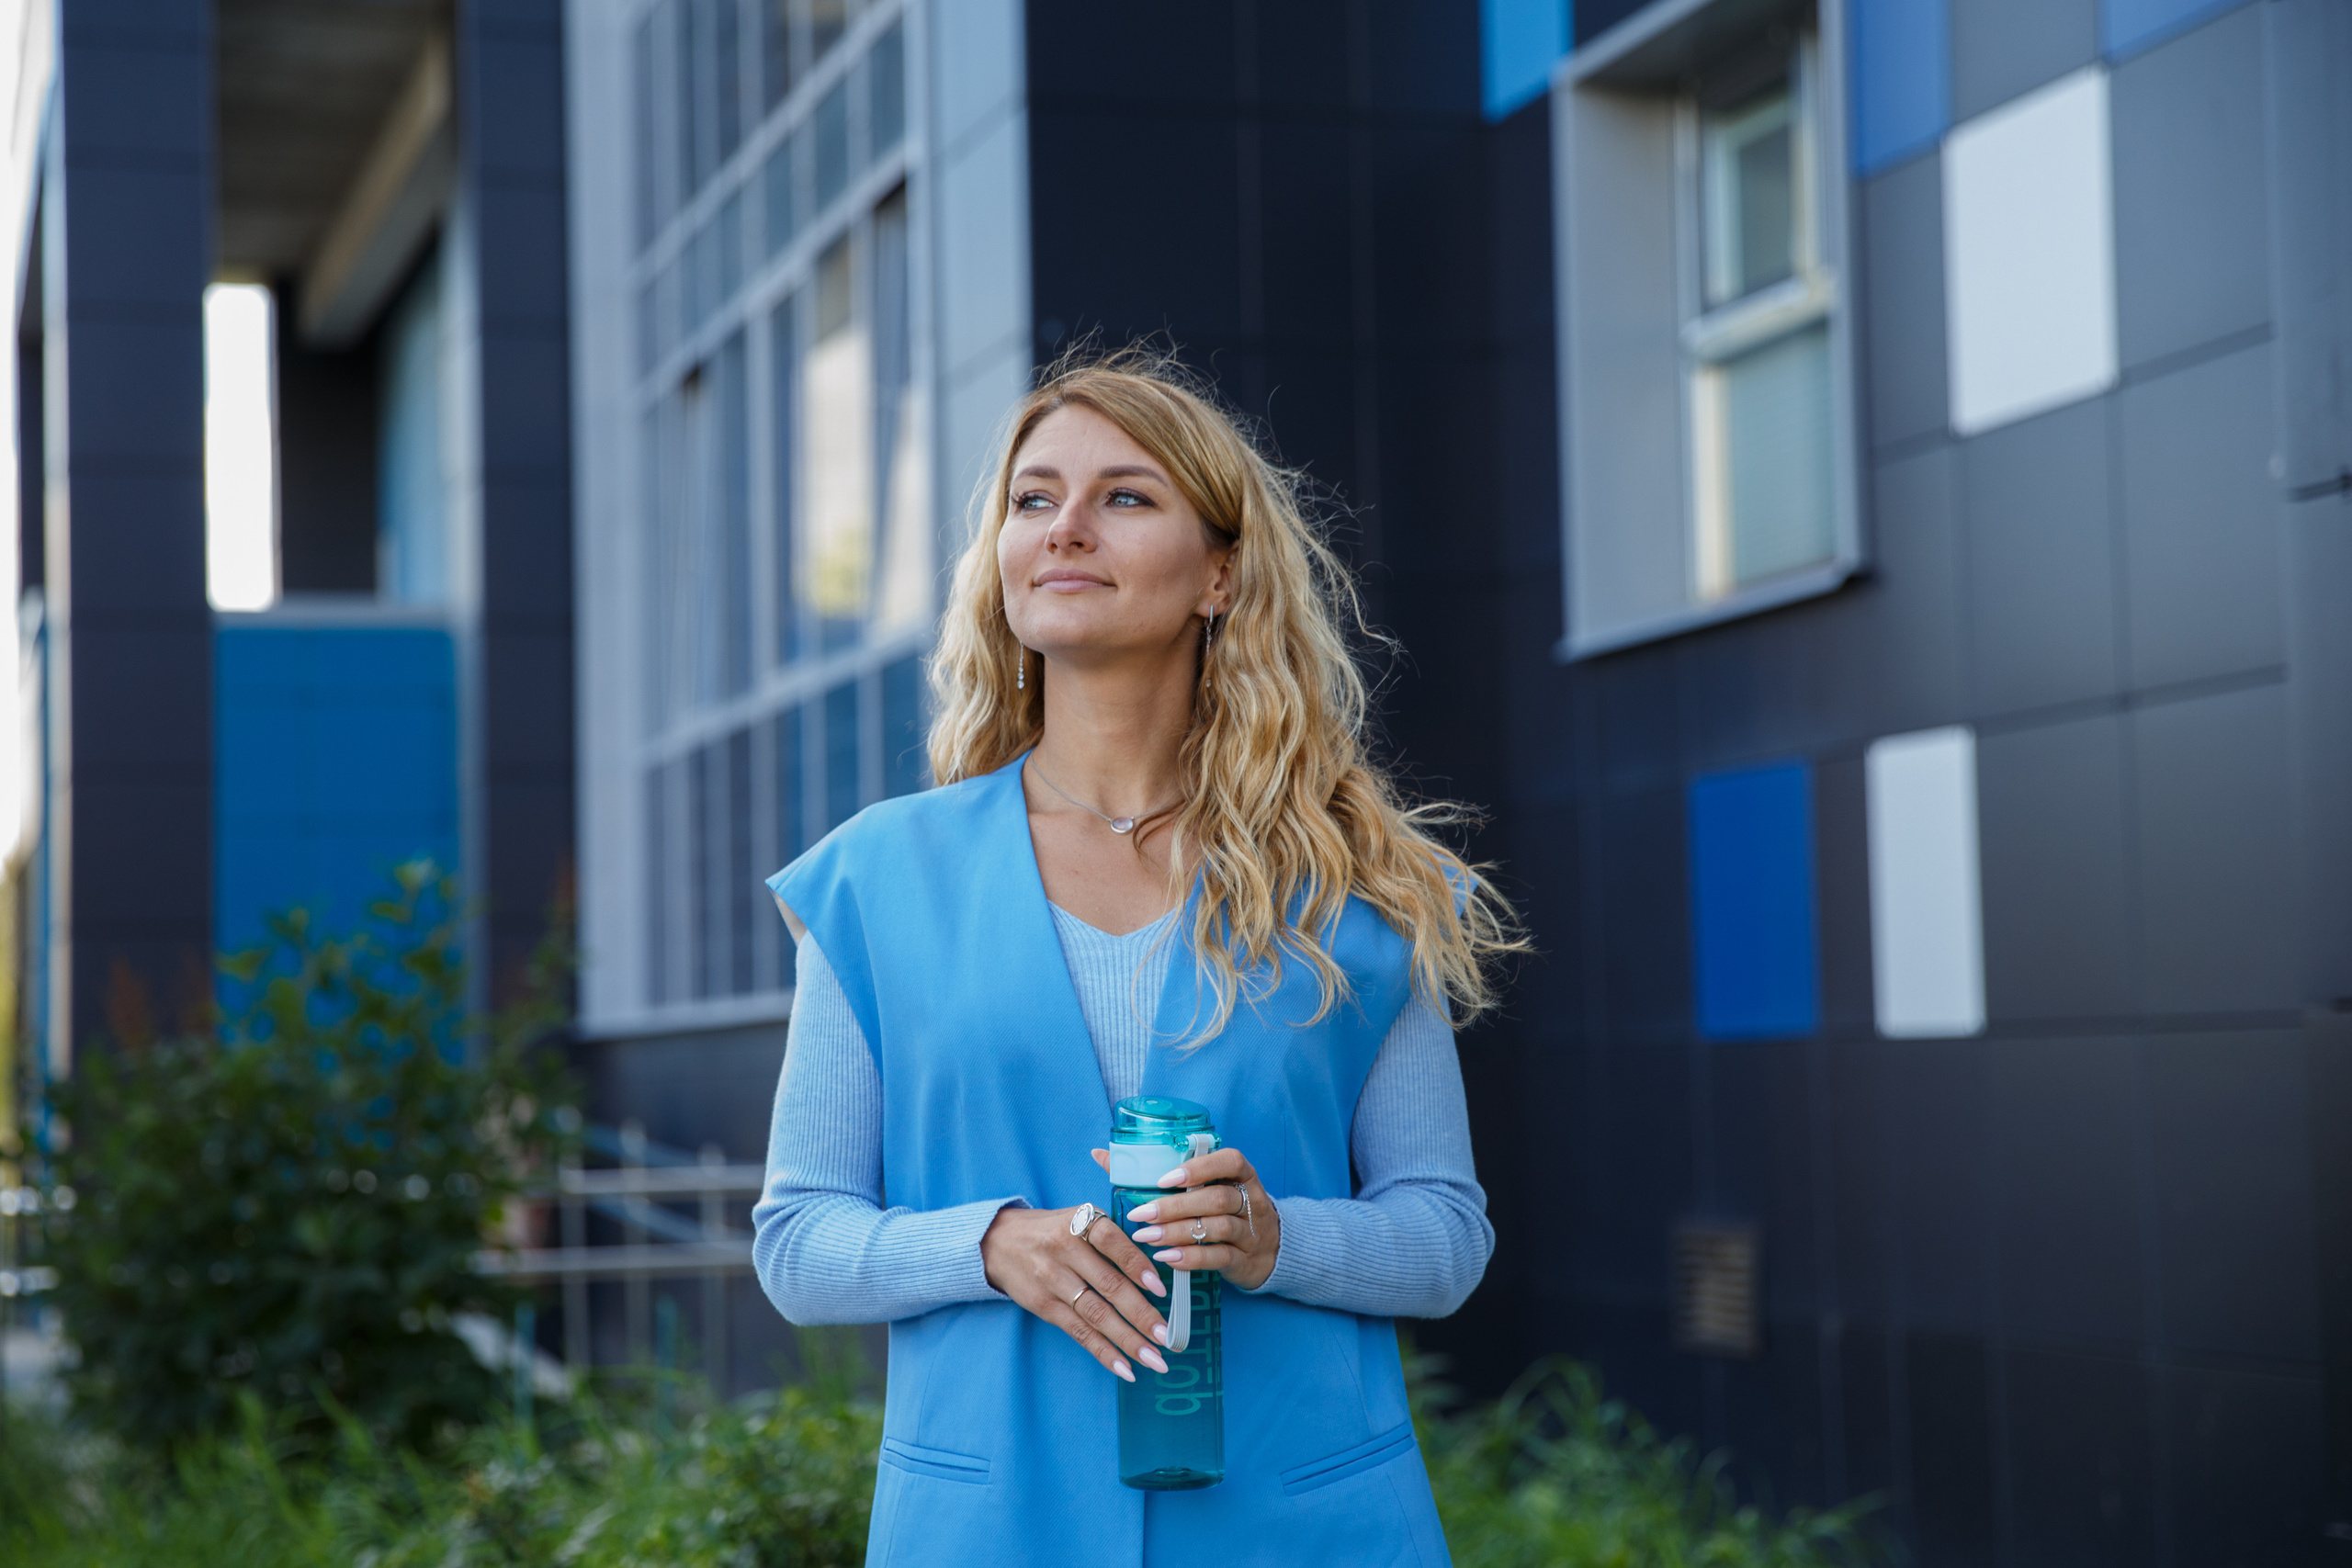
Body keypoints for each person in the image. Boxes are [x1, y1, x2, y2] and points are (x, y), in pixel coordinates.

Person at [752, 348, 1521, 1565]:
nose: (1065, 529)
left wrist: (1281, 1242)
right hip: (990, 1528)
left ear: (1220, 573)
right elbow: (799, 1241)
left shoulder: (1360, 886)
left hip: (1304, 1526)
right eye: (1032, 499)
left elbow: (1442, 1236)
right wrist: (990, 1243)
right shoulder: (874, 884)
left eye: (1124, 496)